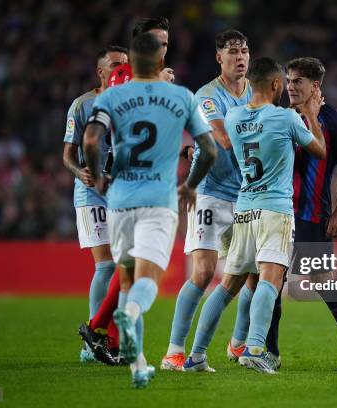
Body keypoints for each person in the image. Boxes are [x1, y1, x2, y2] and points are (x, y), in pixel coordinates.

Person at [83, 32, 216, 388]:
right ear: (160, 62)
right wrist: (189, 185)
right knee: (146, 281)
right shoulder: (181, 97)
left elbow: (92, 139)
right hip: (159, 201)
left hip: (120, 201)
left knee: (125, 279)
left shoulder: (112, 96)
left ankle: (137, 364)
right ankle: (128, 314)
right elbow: (210, 148)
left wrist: (97, 178)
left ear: (131, 63)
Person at [183, 57, 326, 374]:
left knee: (226, 287)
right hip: (275, 209)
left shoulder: (233, 117)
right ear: (276, 85)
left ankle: (195, 355)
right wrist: (312, 117)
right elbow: (319, 150)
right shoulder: (286, 117)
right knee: (270, 280)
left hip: (244, 208)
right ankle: (256, 348)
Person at [259, 57, 337, 372]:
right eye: (289, 81)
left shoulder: (336, 122)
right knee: (272, 281)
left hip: (312, 216)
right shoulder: (280, 117)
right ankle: (270, 352)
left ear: (315, 86)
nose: (290, 87)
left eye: (298, 82)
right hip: (279, 214)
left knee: (323, 280)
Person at [79, 17, 176, 366]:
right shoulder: (124, 75)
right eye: (155, 42)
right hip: (128, 187)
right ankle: (111, 337)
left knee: (131, 271)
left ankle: (103, 332)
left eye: (165, 43)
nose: (161, 50)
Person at [161, 29, 253, 371]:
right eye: (233, 52)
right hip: (212, 193)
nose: (240, 57)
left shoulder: (255, 93)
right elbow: (221, 139)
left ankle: (238, 344)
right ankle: (174, 351)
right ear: (220, 58)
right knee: (203, 273)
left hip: (245, 195)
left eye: (244, 51)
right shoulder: (208, 96)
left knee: (251, 275)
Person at [62, 45, 128, 364]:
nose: (121, 69)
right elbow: (67, 153)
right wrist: (79, 171)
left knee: (123, 267)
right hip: (91, 193)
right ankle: (94, 339)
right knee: (106, 265)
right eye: (115, 65)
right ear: (100, 71)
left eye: (125, 64)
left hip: (122, 194)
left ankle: (107, 336)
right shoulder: (82, 105)